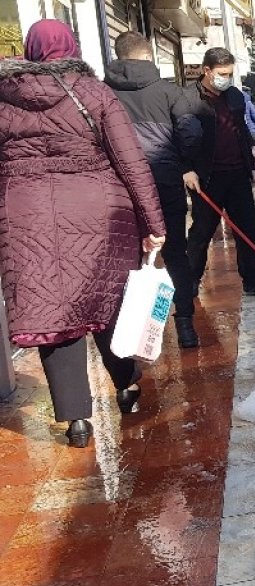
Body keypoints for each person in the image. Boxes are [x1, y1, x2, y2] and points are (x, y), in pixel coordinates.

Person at [0, 20, 167, 448]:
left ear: (32, 50)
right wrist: (154, 224)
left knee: (50, 314)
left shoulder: (4, 99)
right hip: (100, 212)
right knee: (109, 304)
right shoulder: (93, 92)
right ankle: (126, 387)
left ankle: (76, 421)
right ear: (71, 47)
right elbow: (130, 161)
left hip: (27, 216)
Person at [105, 31, 204, 349]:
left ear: (118, 57)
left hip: (120, 188)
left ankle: (133, 333)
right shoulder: (169, 92)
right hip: (164, 183)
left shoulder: (102, 93)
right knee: (176, 253)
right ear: (149, 56)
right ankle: (185, 325)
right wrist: (182, 162)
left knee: (130, 259)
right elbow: (191, 131)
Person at [185, 47, 255, 299]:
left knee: (247, 230)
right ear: (206, 71)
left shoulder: (234, 96)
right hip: (207, 178)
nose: (226, 78)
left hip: (237, 174)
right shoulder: (188, 98)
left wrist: (251, 165)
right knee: (201, 232)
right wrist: (186, 168)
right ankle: (189, 283)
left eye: (230, 73)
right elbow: (181, 137)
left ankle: (253, 281)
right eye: (222, 73)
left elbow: (241, 132)